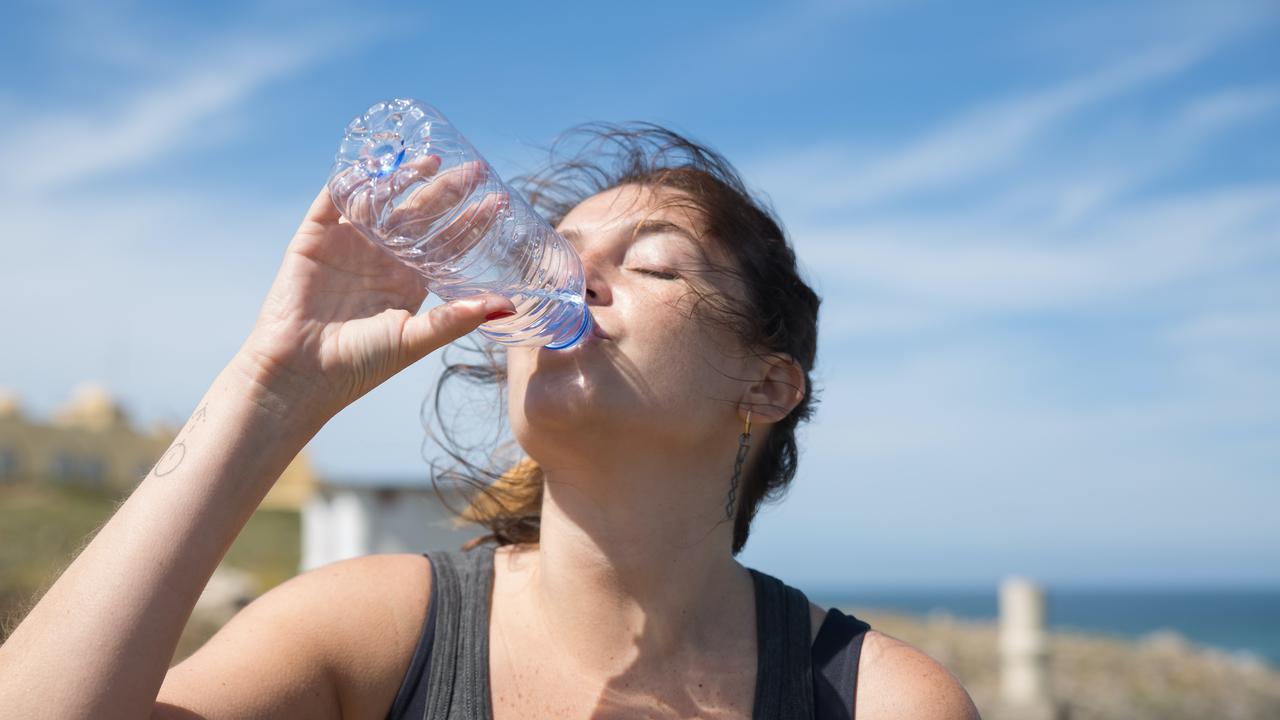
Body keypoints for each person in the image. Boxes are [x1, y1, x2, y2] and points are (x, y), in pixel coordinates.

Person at [0, 124, 980, 720]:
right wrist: (272, 390)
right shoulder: (371, 634)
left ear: (767, 388)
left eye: (649, 264)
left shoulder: (869, 701)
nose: (558, 277)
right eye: (546, 253)